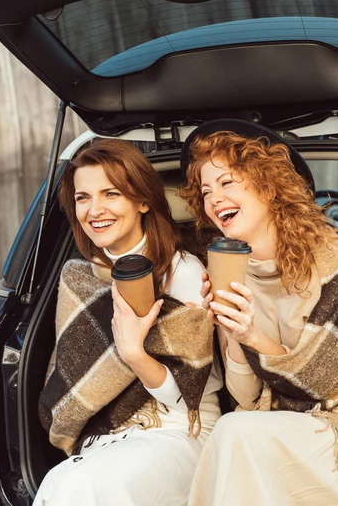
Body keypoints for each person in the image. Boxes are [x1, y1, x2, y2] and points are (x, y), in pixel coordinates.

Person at [178, 119, 338, 506]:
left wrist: (252, 336)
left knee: (237, 433)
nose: (213, 199)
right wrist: (233, 334)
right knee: (237, 429)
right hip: (276, 426)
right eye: (206, 191)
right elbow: (245, 397)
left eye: (226, 183)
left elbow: (320, 384)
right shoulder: (229, 272)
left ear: (270, 184)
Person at [34, 138, 223, 506]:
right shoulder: (78, 279)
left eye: (111, 194)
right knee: (56, 485)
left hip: (180, 431)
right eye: (83, 197)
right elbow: (72, 387)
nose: (95, 209)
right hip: (103, 437)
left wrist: (134, 354)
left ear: (142, 201)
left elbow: (190, 401)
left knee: (80, 488)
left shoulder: (182, 272)